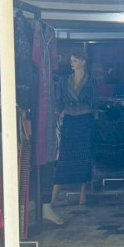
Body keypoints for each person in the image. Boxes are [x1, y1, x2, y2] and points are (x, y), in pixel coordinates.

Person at [46, 50, 98, 224]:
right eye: (71, 60)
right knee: (65, 157)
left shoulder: (91, 82)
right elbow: (59, 101)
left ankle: (83, 191)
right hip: (69, 120)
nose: (72, 63)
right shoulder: (63, 81)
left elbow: (94, 102)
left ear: (83, 62)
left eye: (75, 60)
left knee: (84, 156)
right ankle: (53, 196)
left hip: (85, 121)